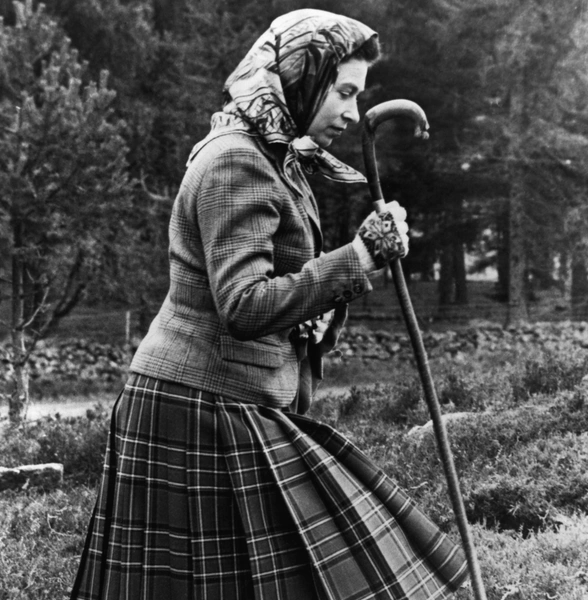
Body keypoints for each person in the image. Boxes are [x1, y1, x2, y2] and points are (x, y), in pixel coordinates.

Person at [71, 9, 468, 600]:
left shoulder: (272, 155)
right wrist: (359, 256)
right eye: (344, 92)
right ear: (302, 77)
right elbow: (243, 304)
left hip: (227, 399)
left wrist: (341, 283)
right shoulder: (237, 160)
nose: (352, 113)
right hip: (196, 407)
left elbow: (276, 294)